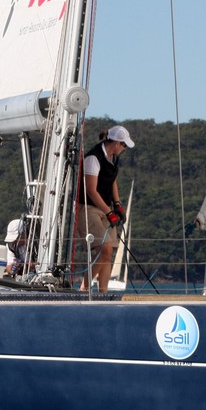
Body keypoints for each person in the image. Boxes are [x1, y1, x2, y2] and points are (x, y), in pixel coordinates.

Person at [77, 125, 134, 292]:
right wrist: (109, 213)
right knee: (104, 249)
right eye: (123, 145)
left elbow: (112, 180)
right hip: (88, 208)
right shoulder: (93, 158)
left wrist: (117, 205)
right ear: (116, 143)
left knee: (108, 254)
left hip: (105, 207)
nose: (124, 148)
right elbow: (91, 190)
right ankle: (84, 289)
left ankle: (103, 293)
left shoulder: (112, 158)